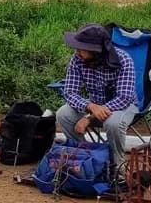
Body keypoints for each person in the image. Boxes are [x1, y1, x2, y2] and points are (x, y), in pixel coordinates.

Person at [57, 23, 138, 173]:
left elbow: (124, 98)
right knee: (63, 114)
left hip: (122, 107)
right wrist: (90, 107)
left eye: (81, 48)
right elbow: (69, 92)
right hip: (94, 105)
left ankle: (117, 167)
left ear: (96, 50)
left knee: (113, 123)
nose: (77, 51)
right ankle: (86, 157)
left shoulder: (123, 60)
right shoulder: (77, 59)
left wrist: (89, 117)